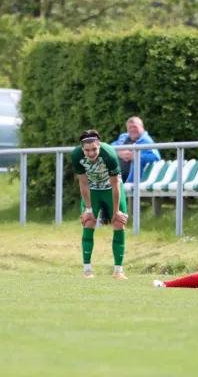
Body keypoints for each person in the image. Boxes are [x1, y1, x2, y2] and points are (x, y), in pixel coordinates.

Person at [71, 129, 129, 280]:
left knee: (118, 222)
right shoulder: (76, 155)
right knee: (88, 221)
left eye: (94, 149)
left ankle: (118, 271)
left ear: (99, 145)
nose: (91, 153)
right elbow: (83, 182)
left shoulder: (108, 154)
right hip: (92, 190)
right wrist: (89, 209)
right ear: (82, 148)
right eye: (87, 150)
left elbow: (116, 183)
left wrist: (116, 212)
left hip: (111, 189)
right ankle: (87, 271)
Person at [111, 116, 161, 183]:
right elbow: (110, 147)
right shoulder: (123, 137)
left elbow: (155, 157)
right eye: (129, 128)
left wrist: (135, 156)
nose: (132, 130)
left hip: (132, 183)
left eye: (135, 127)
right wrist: (119, 153)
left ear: (142, 127)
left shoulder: (146, 141)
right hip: (115, 180)